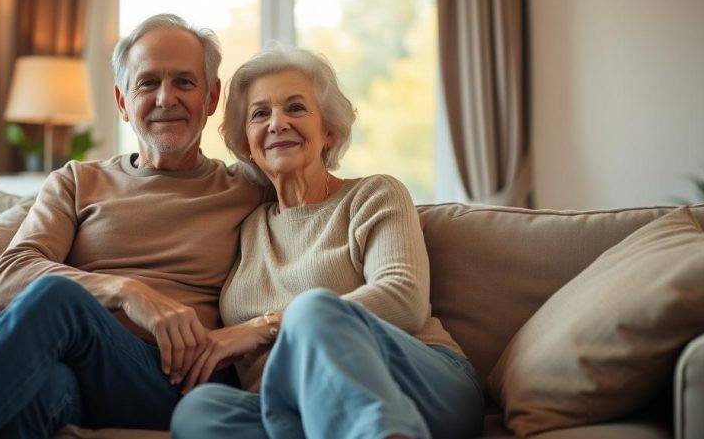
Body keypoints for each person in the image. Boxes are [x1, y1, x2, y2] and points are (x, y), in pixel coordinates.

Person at [0, 14, 267, 438]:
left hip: (181, 382)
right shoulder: (78, 181)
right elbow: (11, 276)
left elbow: (319, 210)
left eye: (184, 82)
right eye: (147, 83)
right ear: (122, 102)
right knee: (44, 388)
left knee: (57, 295)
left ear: (211, 97)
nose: (166, 98)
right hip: (84, 376)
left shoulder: (248, 187)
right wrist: (127, 291)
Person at [171, 47, 484, 439]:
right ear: (245, 142)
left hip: (421, 383)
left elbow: (404, 297)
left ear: (329, 131)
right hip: (297, 407)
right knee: (202, 410)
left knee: (313, 311)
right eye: (260, 113)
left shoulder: (374, 195)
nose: (277, 123)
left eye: (296, 108)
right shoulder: (246, 226)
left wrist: (266, 326)